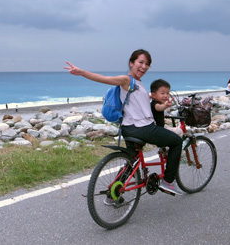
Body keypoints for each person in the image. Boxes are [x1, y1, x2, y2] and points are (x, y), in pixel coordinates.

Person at [64, 49, 183, 196]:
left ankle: (113, 194)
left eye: (147, 64)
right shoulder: (127, 80)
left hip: (128, 129)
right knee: (177, 141)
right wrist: (82, 72)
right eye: (141, 62)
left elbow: (144, 107)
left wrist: (162, 104)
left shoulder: (139, 84)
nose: (144, 66)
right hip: (143, 128)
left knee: (131, 161)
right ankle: (168, 181)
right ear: (131, 63)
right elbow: (104, 79)